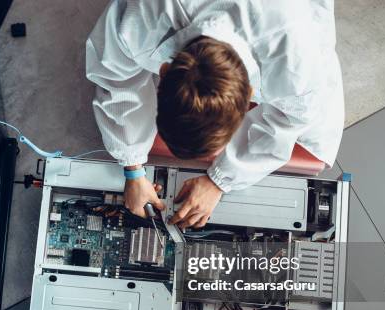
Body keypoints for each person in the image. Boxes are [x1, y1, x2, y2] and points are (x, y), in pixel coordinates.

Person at [86, 0, 344, 228]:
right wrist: (132, 167)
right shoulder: (139, 15)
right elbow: (115, 78)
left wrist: (220, 181)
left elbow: (291, 120)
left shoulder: (298, 61)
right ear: (164, 72)